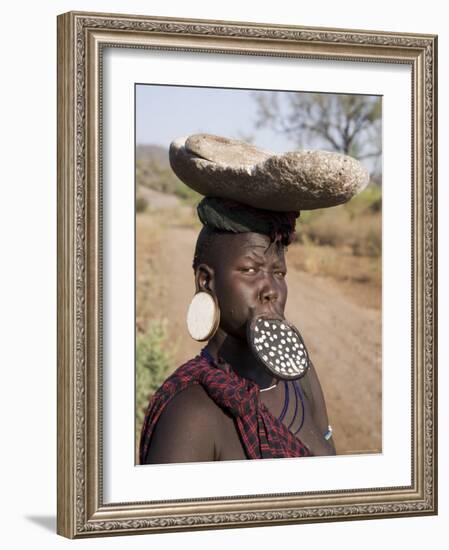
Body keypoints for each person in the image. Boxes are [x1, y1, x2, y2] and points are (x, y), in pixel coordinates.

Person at [139, 133, 369, 464]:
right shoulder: (190, 413)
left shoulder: (300, 376)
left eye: (279, 273)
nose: (270, 289)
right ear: (206, 280)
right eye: (250, 270)